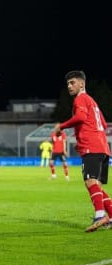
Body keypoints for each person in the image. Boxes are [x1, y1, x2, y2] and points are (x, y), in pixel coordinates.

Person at [54, 70, 112, 232]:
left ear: (82, 83)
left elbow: (80, 118)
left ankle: (100, 216)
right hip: (103, 147)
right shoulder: (92, 101)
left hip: (91, 146)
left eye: (72, 83)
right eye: (68, 84)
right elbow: (104, 124)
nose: (69, 86)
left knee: (90, 181)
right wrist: (81, 138)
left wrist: (62, 126)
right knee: (97, 186)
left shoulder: (80, 99)